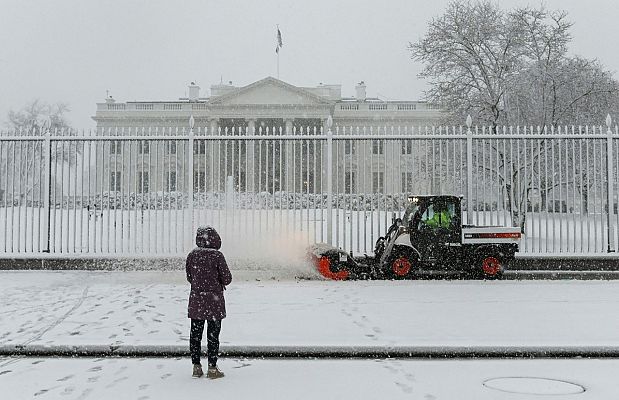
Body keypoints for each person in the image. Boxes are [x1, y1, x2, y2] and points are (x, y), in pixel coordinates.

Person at [186, 226, 232, 379]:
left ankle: (196, 367)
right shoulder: (217, 256)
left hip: (197, 301)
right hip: (214, 302)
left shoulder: (192, 255)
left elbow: (189, 277)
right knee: (213, 336)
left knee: (195, 335)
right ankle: (212, 368)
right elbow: (227, 278)